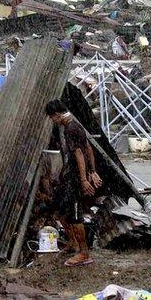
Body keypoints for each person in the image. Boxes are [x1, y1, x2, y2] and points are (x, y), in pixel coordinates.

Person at [45, 99, 102, 267]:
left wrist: (84, 179)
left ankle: (84, 253)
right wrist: (93, 171)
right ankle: (72, 243)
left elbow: (79, 153)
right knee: (58, 208)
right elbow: (88, 148)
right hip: (69, 177)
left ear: (56, 115)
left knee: (75, 216)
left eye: (52, 118)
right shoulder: (74, 124)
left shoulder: (70, 128)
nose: (52, 122)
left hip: (76, 179)